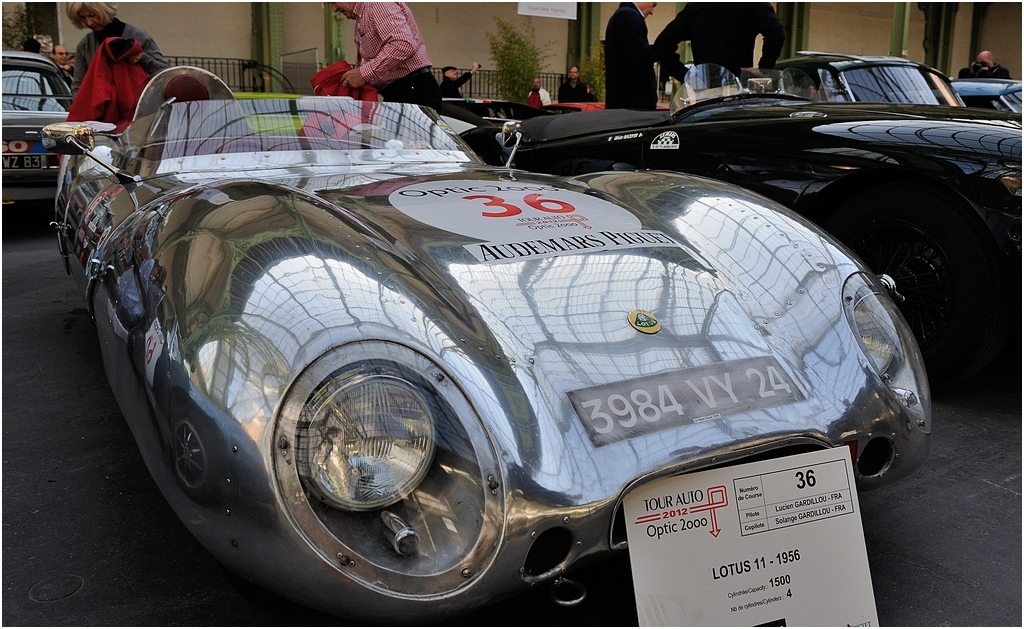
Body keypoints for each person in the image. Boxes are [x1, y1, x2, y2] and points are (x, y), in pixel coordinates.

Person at [330, 2, 442, 113]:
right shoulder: (366, 13)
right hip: (405, 91)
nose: (334, 9)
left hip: (412, 91)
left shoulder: (377, 4)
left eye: (333, 2)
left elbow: (403, 45)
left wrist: (363, 73)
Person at [654, 3, 785, 82]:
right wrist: (764, 70)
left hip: (704, 84)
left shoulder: (695, 7)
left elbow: (663, 44)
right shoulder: (753, 5)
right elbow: (775, 33)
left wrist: (686, 76)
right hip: (738, 81)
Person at [66, 2, 168, 97]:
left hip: (137, 106)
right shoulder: (85, 45)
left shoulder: (138, 36)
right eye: (82, 17)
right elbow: (78, 85)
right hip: (101, 108)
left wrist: (143, 58)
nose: (88, 22)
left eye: (92, 15)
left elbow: (164, 72)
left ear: (105, 10)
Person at [604, 2, 659, 110]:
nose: (652, 12)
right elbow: (640, 56)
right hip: (634, 104)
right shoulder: (629, 16)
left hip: (624, 102)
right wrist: (662, 48)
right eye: (653, 5)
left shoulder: (620, 16)